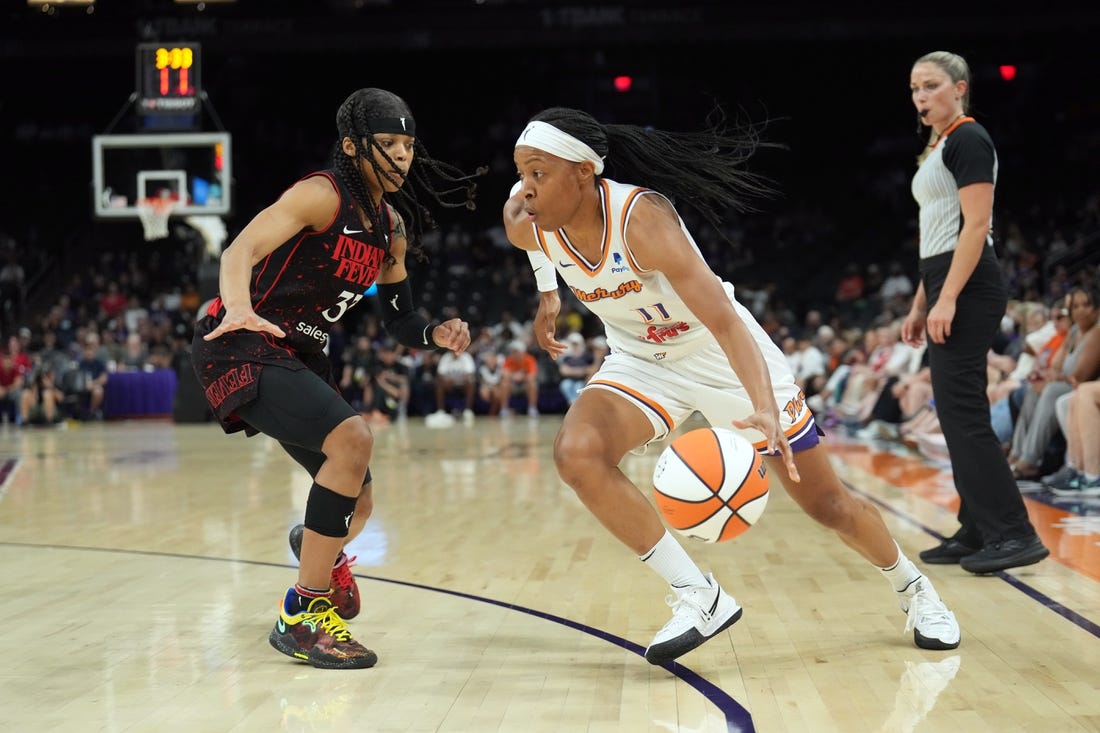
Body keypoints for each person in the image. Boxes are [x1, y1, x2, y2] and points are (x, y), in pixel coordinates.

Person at [503, 105, 960, 665]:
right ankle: (699, 595)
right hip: (642, 358)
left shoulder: (640, 220)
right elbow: (532, 246)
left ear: (584, 173)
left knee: (826, 503)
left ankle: (914, 589)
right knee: (577, 453)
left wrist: (764, 407)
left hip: (718, 352)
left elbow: (723, 320)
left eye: (538, 174)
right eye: (522, 173)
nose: (525, 189)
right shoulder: (527, 218)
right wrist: (548, 296)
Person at [192, 87, 483, 670]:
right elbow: (239, 250)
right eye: (389, 144)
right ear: (352, 146)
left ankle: (320, 554)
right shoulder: (321, 195)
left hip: (300, 355)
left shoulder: (391, 228)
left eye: (408, 145)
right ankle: (302, 612)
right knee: (352, 439)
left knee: (361, 498)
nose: (403, 156)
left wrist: (435, 334)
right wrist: (238, 308)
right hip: (242, 343)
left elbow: (401, 321)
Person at [901, 51, 1049, 574]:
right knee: (958, 413)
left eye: (932, 86)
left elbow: (975, 224)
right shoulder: (937, 145)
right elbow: (934, 233)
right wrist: (923, 301)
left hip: (969, 283)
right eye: (916, 87)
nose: (921, 96)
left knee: (964, 415)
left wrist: (946, 298)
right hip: (945, 277)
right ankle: (977, 527)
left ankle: (1013, 532)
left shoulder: (968, 137)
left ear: (959, 88)